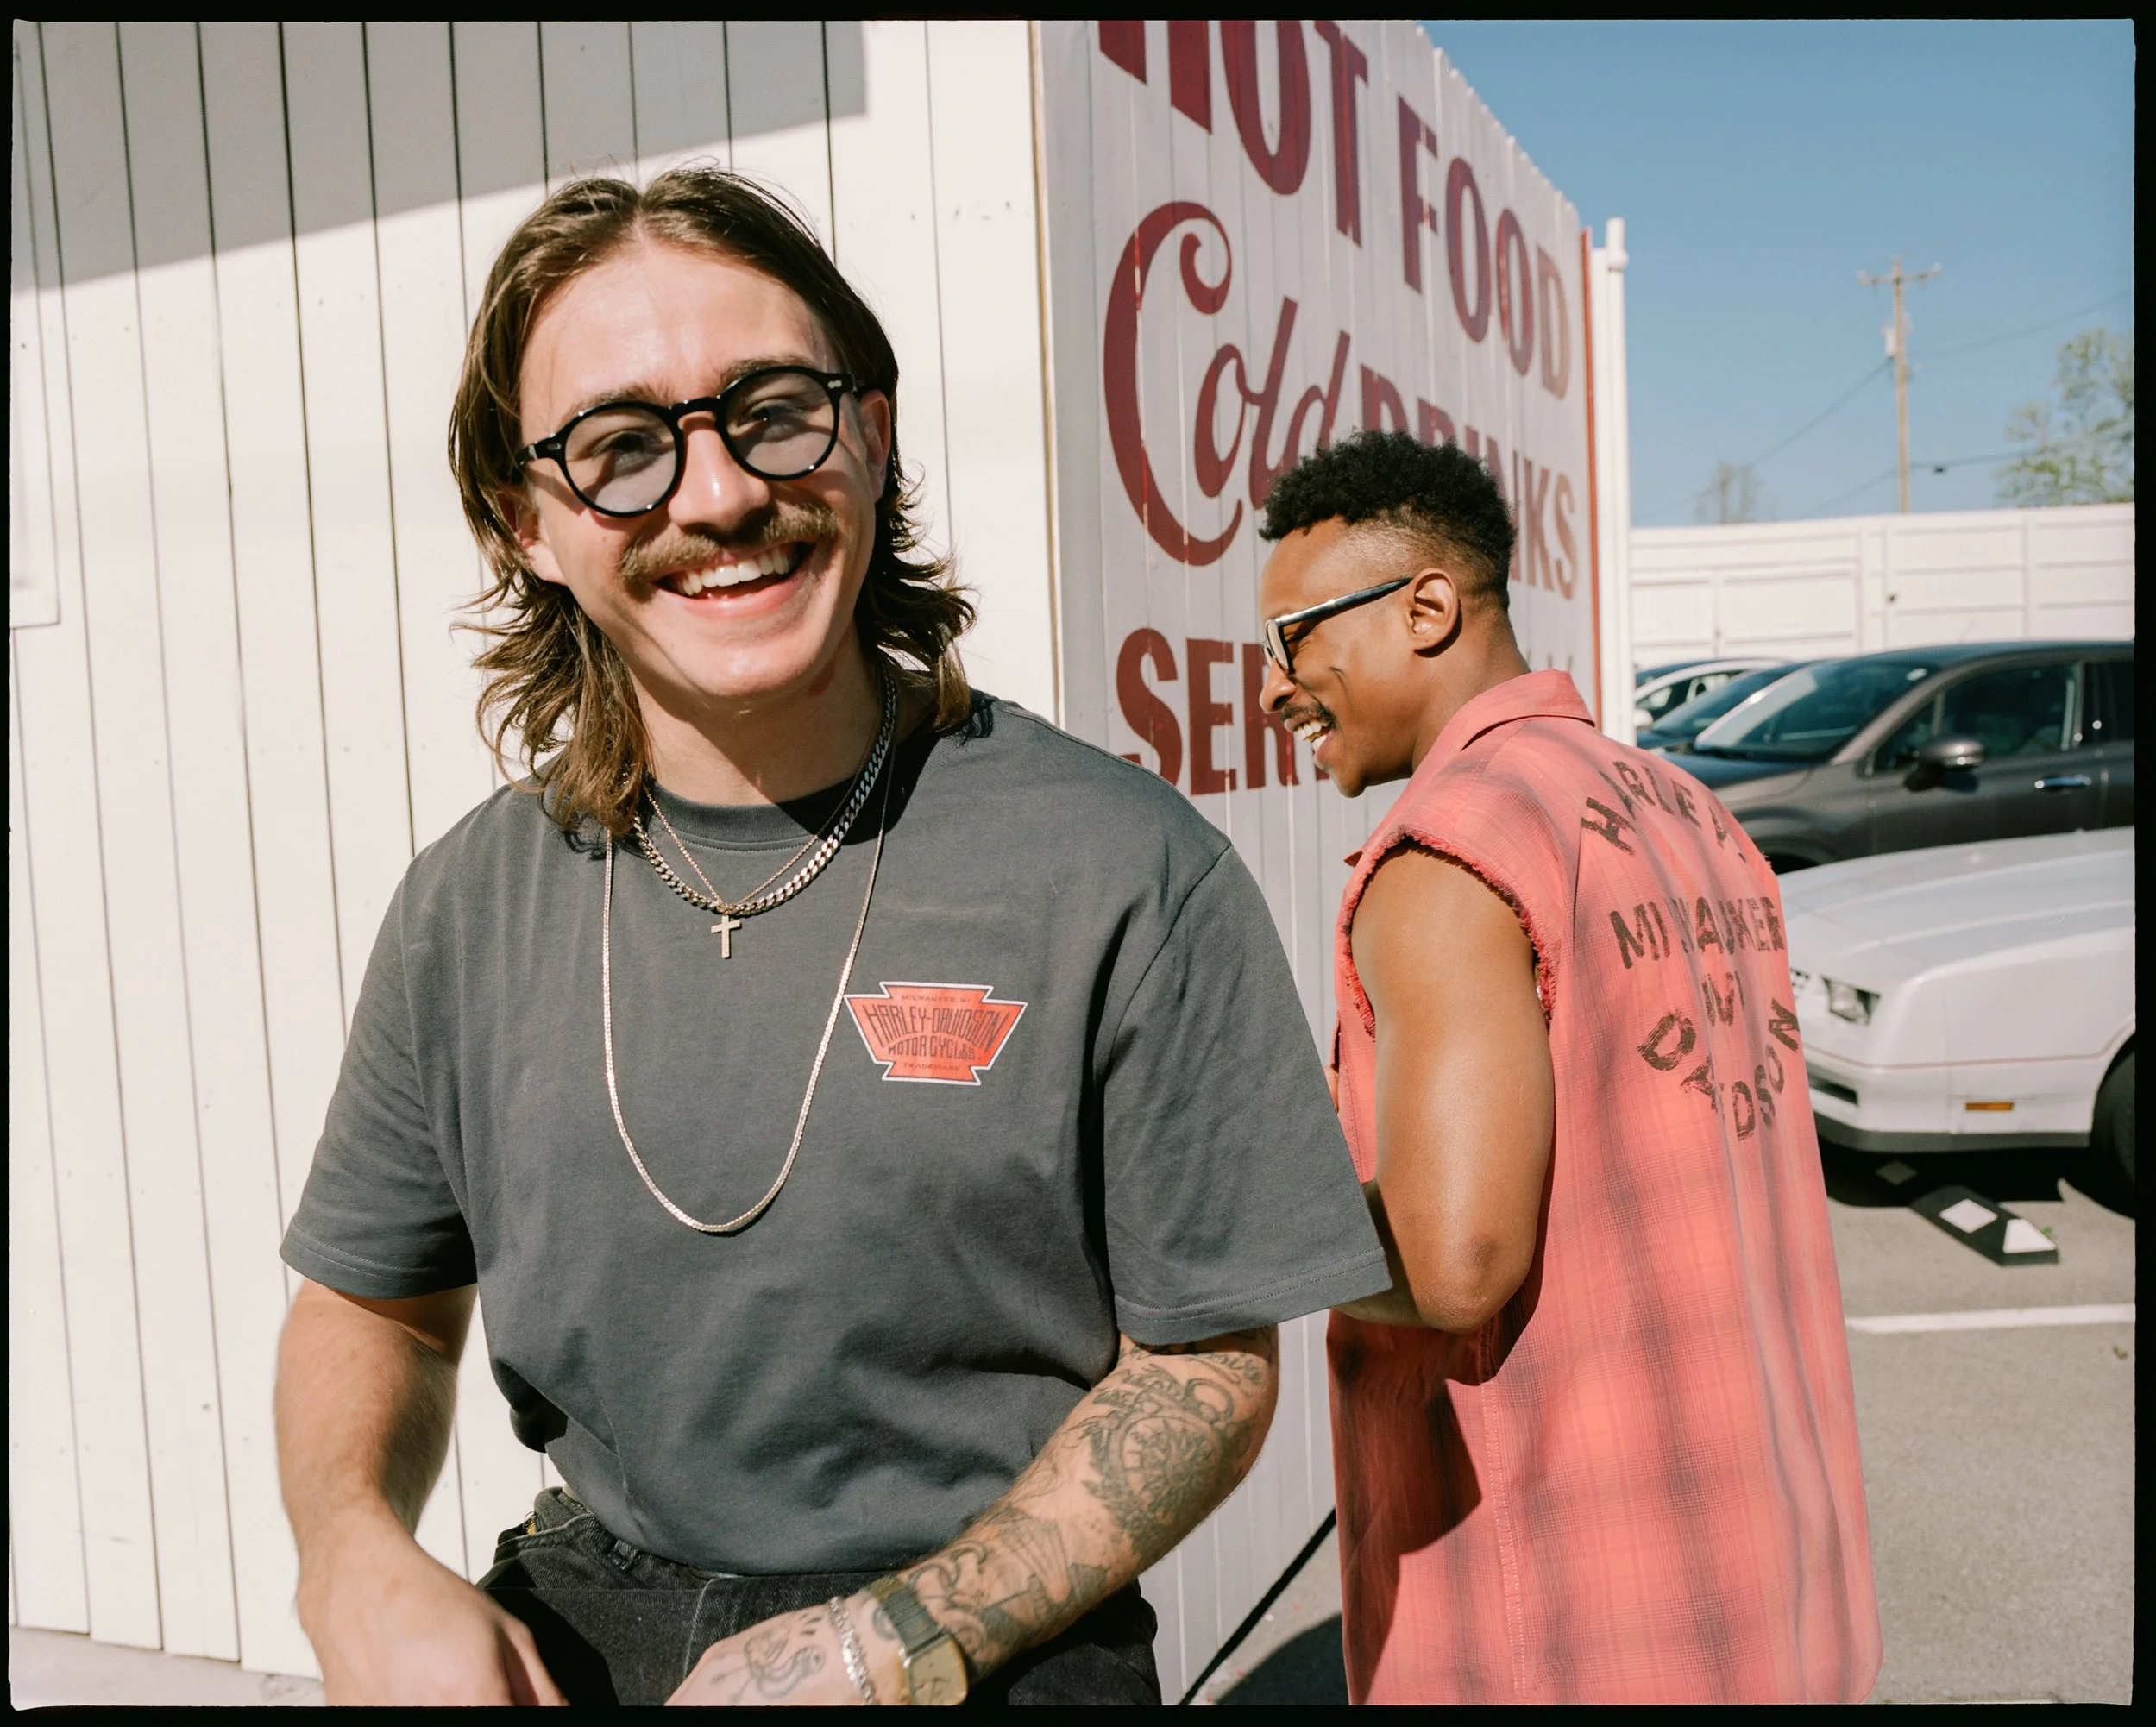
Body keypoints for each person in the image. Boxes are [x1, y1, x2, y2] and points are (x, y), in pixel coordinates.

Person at [273, 166, 1387, 1707]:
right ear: (525, 521)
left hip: (991, 1636)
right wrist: (350, 1550)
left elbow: (1207, 1364)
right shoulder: (467, 905)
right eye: (621, 448)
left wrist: (893, 1643)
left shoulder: (1125, 869)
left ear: (870, 432)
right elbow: (374, 1303)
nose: (719, 496)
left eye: (774, 412)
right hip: (584, 1617)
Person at [1254, 431, 1882, 1705]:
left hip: (1571, 1623)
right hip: (1775, 1579)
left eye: (1290, 640)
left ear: (1427, 607)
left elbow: (1453, 1263)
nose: (1274, 690)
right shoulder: (1688, 810)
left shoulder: (1448, 849)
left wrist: (1218, 1223)